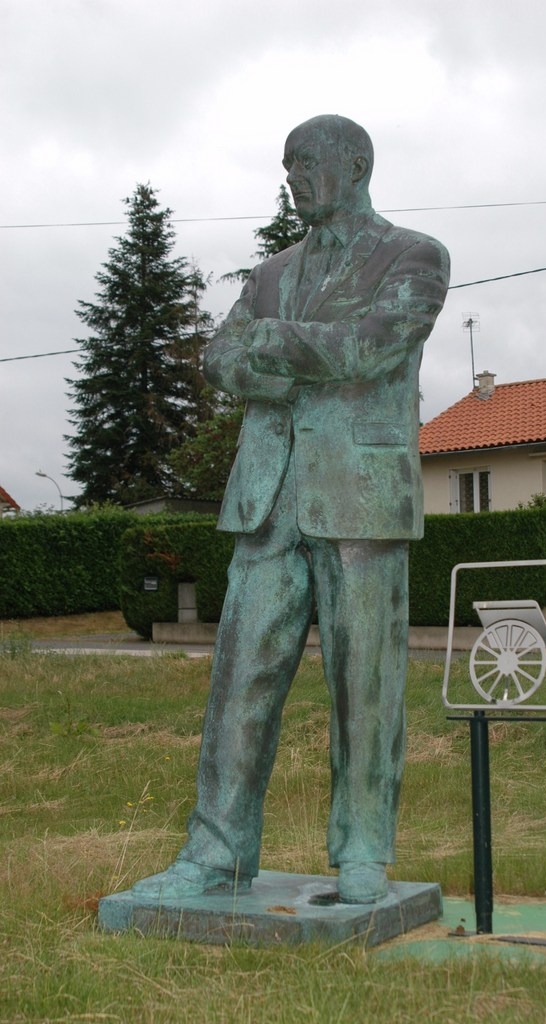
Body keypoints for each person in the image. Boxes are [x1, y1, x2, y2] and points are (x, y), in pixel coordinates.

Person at [132, 114, 450, 904]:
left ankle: (365, 852)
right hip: (266, 499)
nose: (294, 177)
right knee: (239, 682)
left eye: (307, 162)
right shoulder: (271, 271)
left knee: (365, 690)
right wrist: (289, 357)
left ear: (357, 164)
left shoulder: (415, 256)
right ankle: (215, 854)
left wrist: (274, 345)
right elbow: (219, 358)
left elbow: (373, 348)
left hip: (360, 499)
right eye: (286, 165)